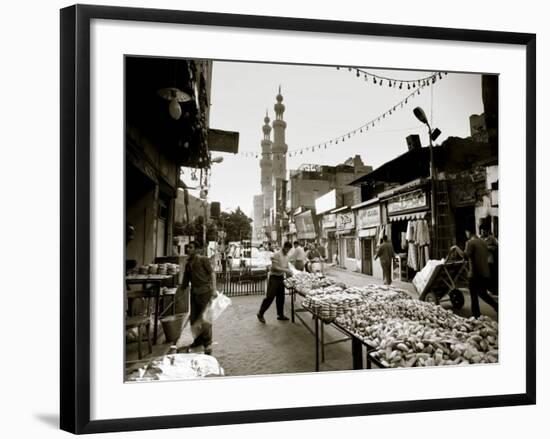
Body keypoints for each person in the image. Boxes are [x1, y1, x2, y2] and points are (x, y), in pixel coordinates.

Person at [451, 228, 498, 319]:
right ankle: (496, 306)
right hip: (485, 272)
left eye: (466, 232)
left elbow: (465, 256)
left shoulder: (470, 243)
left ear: (468, 232)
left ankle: (476, 314)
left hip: (474, 273)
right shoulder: (483, 242)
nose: (466, 234)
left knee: (474, 294)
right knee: (482, 293)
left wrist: (456, 248)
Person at [180, 241, 218, 355]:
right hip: (194, 293)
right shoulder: (188, 264)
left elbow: (212, 273)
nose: (188, 249)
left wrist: (214, 289)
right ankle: (198, 340)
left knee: (205, 318)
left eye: (190, 247)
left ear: (196, 249)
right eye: (187, 248)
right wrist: (179, 292)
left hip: (205, 292)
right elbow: (185, 282)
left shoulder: (203, 260)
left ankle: (208, 344)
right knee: (194, 318)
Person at [257, 241, 293, 323]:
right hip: (274, 278)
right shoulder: (276, 254)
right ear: (283, 246)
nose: (287, 250)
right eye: (286, 248)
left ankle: (280, 315)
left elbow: (287, 267)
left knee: (281, 297)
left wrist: (290, 274)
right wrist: (285, 270)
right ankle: (260, 313)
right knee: (270, 297)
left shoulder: (287, 256)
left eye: (288, 249)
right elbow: (274, 267)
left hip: (281, 278)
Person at [480, 226, 499, 295]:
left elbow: (497, 246)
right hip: (483, 260)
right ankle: (486, 289)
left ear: (487, 231)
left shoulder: (492, 238)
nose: (483, 232)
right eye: (482, 231)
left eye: (484, 231)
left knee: (491, 275)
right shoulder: (480, 238)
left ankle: (493, 290)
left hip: (490, 259)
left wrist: (489, 247)